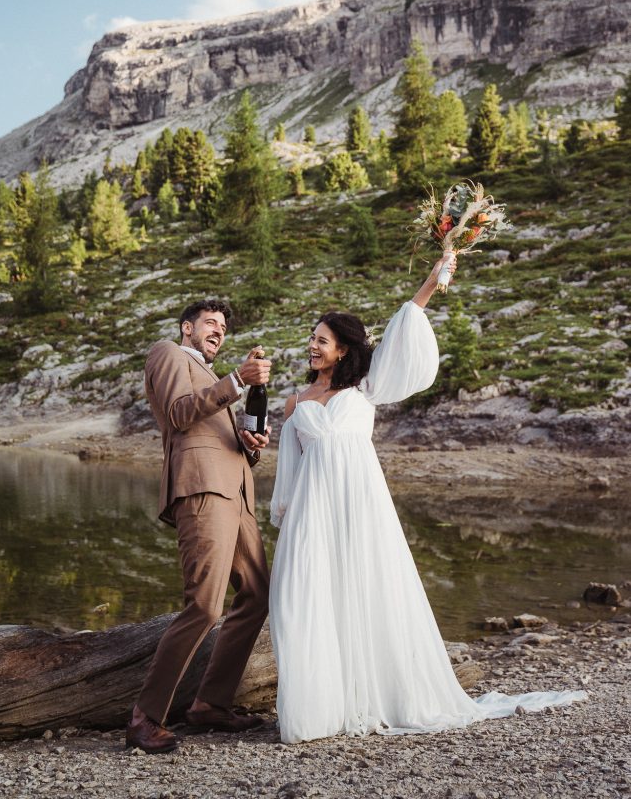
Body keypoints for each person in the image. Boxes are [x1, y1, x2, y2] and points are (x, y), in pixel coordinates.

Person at [269, 257, 586, 744]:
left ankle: (377, 694)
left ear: (344, 350)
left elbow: (402, 329)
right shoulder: (296, 403)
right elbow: (288, 464)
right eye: (311, 339)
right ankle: (319, 708)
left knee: (369, 590)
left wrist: (433, 281)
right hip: (313, 512)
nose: (312, 346)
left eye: (321, 340)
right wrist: (286, 513)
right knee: (306, 598)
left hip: (361, 507)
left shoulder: (366, 389)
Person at [126, 298, 272, 754]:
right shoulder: (166, 352)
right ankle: (144, 717)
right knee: (205, 606)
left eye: (223, 326)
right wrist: (237, 381)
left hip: (238, 494)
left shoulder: (211, 376)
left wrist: (251, 445)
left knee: (258, 594)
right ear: (186, 327)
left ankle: (210, 703)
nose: (219, 330)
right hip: (203, 491)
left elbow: (217, 436)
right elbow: (178, 413)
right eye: (210, 323)